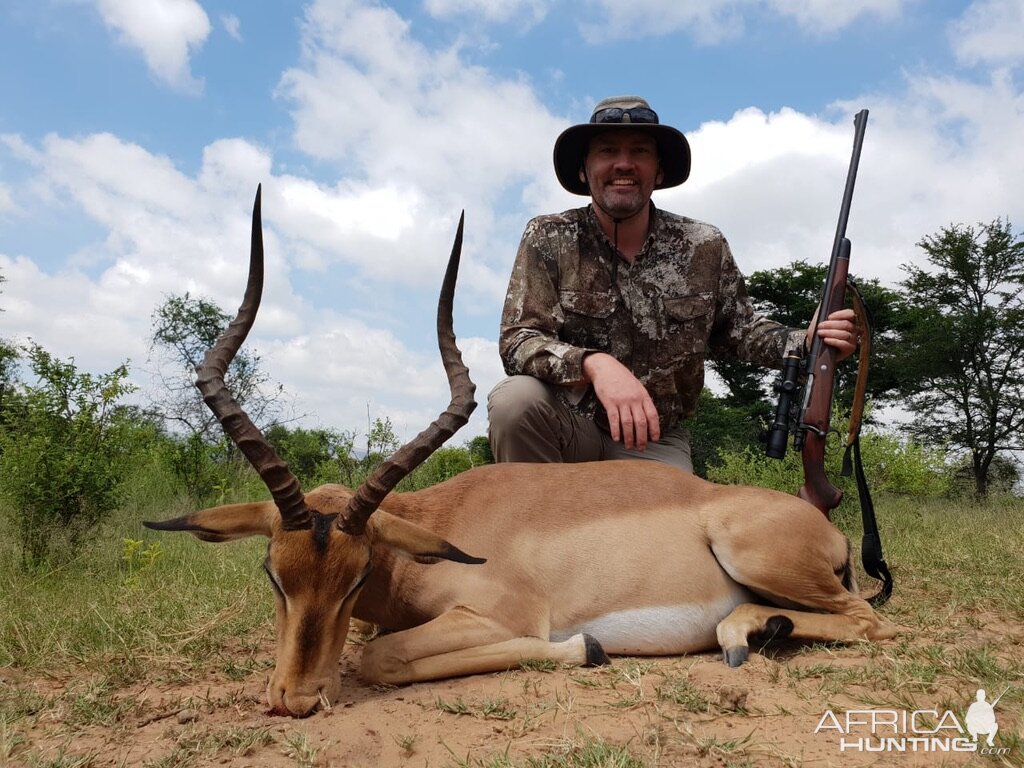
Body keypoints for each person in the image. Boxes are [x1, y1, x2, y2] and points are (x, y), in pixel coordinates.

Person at [488, 95, 859, 472]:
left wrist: (808, 341)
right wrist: (596, 366)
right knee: (514, 402)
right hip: (569, 425)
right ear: (585, 170)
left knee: (670, 532)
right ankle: (535, 525)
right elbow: (519, 340)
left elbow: (739, 333)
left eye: (640, 151)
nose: (623, 163)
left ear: (659, 171)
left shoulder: (704, 244)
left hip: (652, 438)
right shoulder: (549, 235)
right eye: (607, 150)